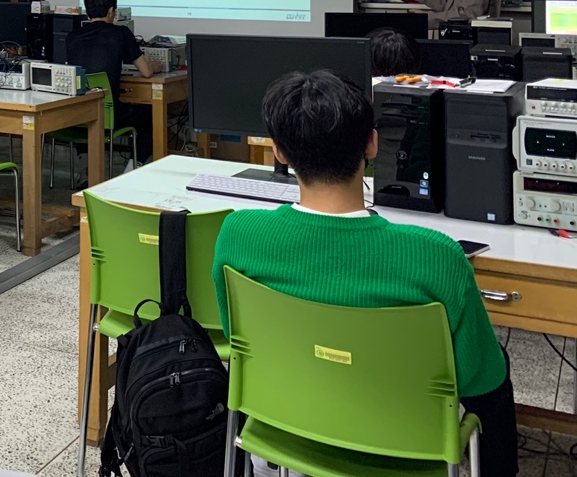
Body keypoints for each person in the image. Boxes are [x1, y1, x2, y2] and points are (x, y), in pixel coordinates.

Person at [211, 69, 517, 477]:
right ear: (372, 143)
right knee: (497, 373)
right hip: (406, 444)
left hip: (285, 433)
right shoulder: (436, 256)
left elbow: (238, 336)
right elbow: (479, 378)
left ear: (279, 152)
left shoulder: (238, 235)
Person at [64, 0, 155, 160]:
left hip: (78, 115)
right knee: (150, 116)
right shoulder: (121, 33)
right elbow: (146, 72)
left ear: (87, 11)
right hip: (109, 115)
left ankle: (88, 166)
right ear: (111, 10)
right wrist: (155, 67)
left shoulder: (72, 36)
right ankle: (133, 167)